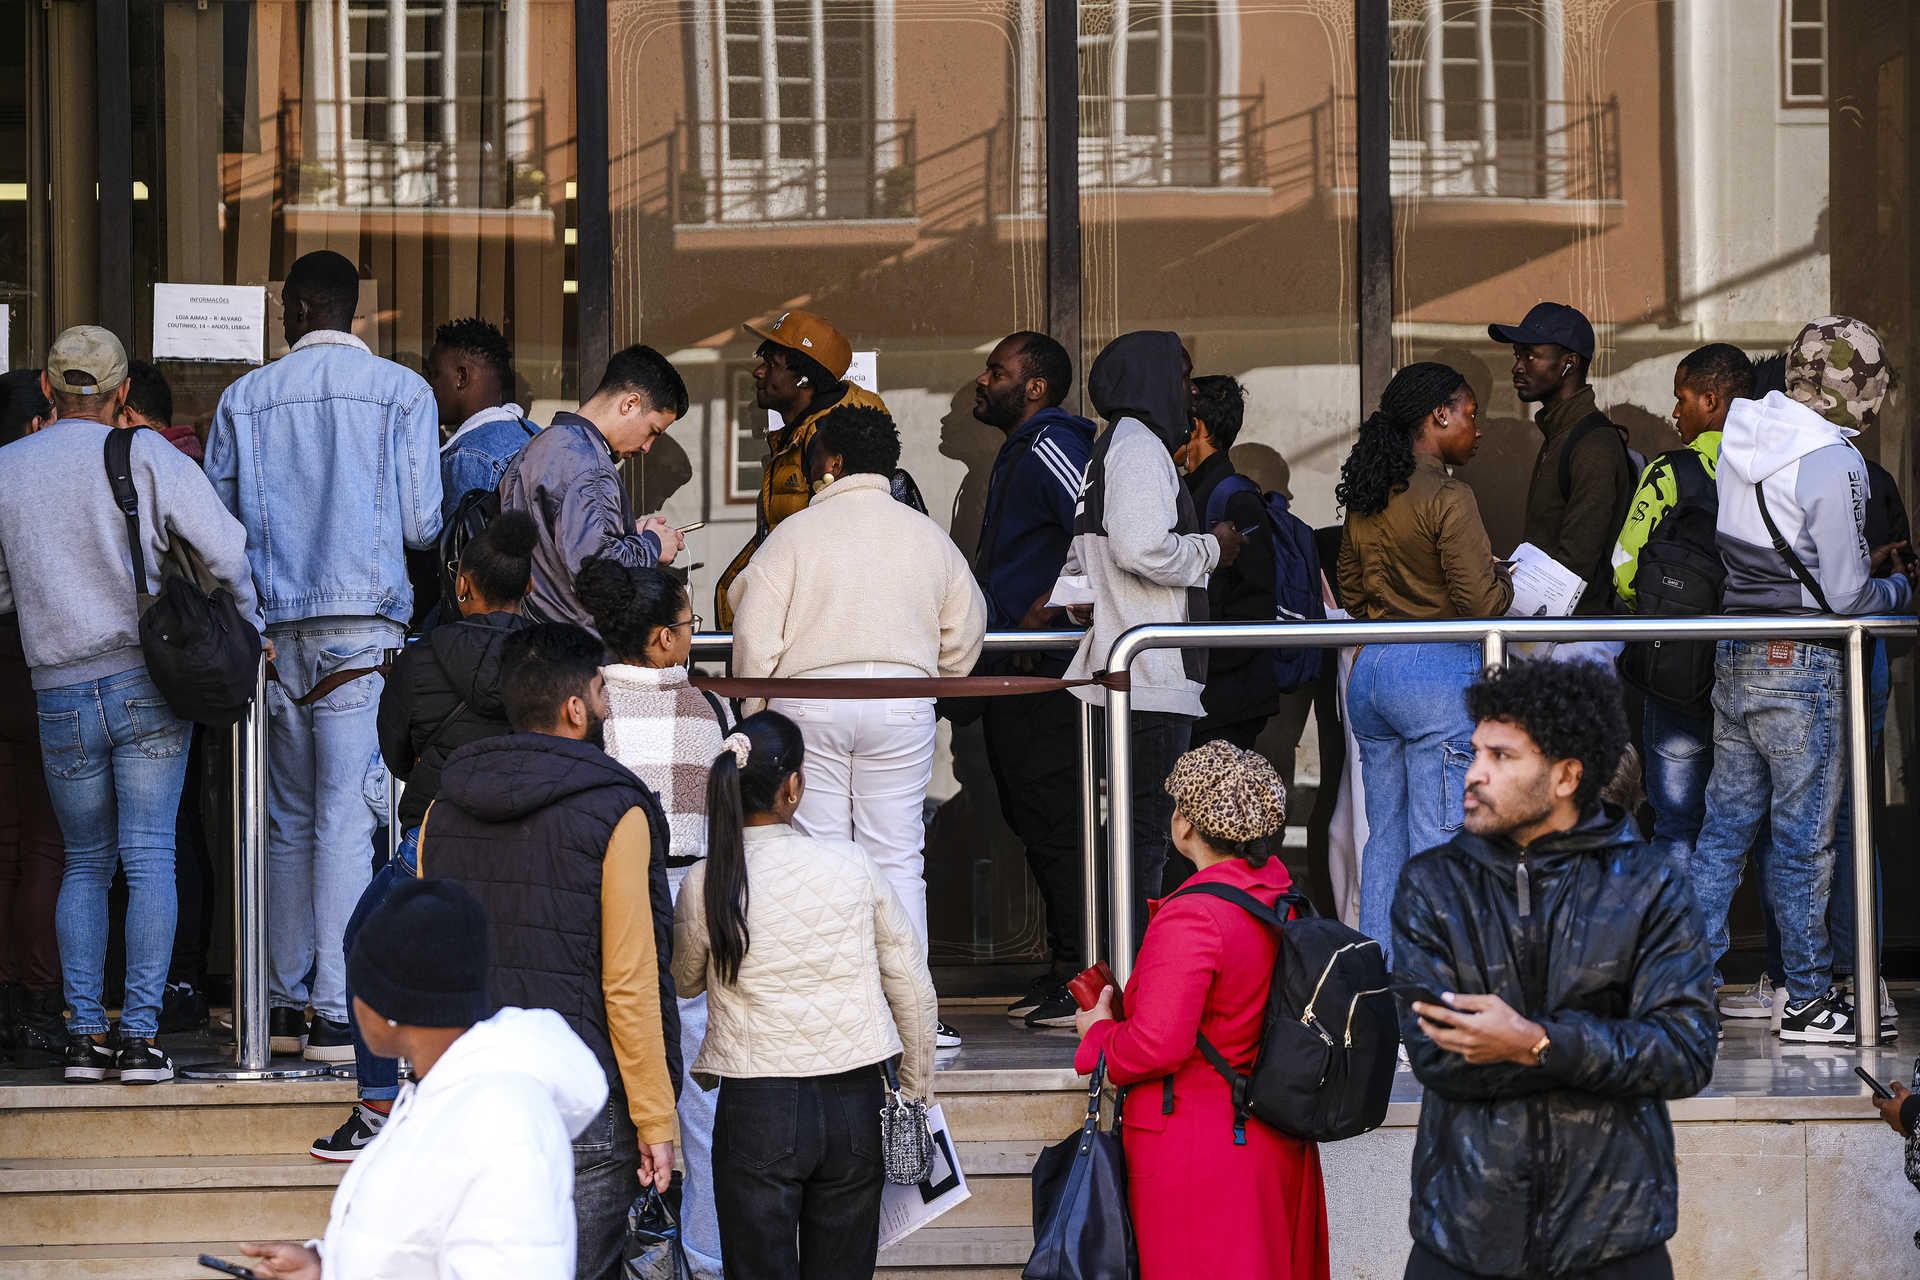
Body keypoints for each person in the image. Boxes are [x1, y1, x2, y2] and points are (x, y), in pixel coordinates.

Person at [1392, 658, 1716, 1280]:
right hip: (1463, 1239)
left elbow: (1685, 1051)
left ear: (1567, 775)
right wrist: (1604, 1048)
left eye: (1503, 757)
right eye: (1476, 752)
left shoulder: (1649, 886)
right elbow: (1440, 1058)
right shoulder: (1432, 886)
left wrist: (1536, 1042)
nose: (1474, 774)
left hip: (1614, 1241)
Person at [0, 326, 260, 1084]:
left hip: (57, 691)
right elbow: (227, 550)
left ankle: (82, 1037)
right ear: (120, 396)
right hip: (146, 682)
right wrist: (253, 625)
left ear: (48, 389)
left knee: (83, 862)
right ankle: (140, 1038)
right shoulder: (142, 454)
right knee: (149, 858)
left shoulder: (10, 467)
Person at [207, 249, 445, 1063]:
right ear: (351, 311)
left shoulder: (245, 398)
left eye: (283, 307)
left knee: (285, 819)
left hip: (275, 634)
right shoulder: (402, 393)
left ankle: (275, 1002)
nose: (280, 317)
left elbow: (215, 534)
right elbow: (421, 527)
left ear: (302, 306)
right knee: (348, 817)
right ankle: (337, 1010)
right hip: (362, 636)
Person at [424, 623, 680, 1280]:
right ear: (574, 707)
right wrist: (656, 1115)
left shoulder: (440, 811)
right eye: (600, 691)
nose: (604, 706)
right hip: (583, 1100)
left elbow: (432, 972)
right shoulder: (614, 810)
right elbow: (628, 982)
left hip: (473, 1099)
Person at [728, 403, 985, 1047]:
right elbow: (968, 623)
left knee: (817, 855)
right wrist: (939, 678)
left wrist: (756, 713)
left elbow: (754, 636)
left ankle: (830, 1010)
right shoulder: (926, 536)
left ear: (834, 462)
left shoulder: (794, 535)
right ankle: (912, 1015)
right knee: (898, 856)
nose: (811, 471)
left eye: (815, 459)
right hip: (901, 701)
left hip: (809, 703)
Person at [1689, 316, 1915, 1043]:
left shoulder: (1739, 436)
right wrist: (1901, 596)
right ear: (1861, 391)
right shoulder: (1833, 462)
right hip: (1803, 665)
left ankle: (1684, 991)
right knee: (1804, 842)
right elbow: (1848, 595)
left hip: (1737, 652)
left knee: (1722, 834)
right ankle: (1811, 1000)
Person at [671, 711, 939, 1280]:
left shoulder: (707, 879)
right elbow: (914, 991)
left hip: (756, 1109)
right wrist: (913, 1093)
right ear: (793, 787)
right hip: (855, 1104)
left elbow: (686, 980)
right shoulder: (853, 863)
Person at [241, 878, 610, 1280]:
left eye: (357, 985)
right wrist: (326, 1267)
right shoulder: (441, 1090)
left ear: (389, 1003)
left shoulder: (499, 1125)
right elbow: (420, 1244)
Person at [310, 510, 538, 1159]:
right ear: (527, 588)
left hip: (436, 837)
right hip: (524, 841)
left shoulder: (420, 657)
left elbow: (396, 754)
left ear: (463, 585)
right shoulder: (550, 656)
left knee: (367, 945)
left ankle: (380, 1103)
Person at [1073, 740, 1329, 1279]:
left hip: (1199, 1150)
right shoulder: (1281, 898)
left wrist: (1097, 1033)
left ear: (1187, 825)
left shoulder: (1195, 916)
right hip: (1268, 1139)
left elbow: (1155, 1047)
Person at [1062, 331, 1243, 940]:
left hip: (1123, 671)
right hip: (1150, 674)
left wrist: (1088, 607)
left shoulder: (1108, 446)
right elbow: (1143, 549)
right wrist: (1214, 547)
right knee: (1149, 837)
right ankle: (1138, 974)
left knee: (1133, 833)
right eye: (1183, 374)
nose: (1189, 390)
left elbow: (1079, 571)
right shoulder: (1140, 448)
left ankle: (1122, 968)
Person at [578, 555, 728, 1280]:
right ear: (664, 639)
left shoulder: (594, 705)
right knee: (699, 1082)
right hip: (695, 901)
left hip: (618, 897)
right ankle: (705, 1250)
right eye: (690, 623)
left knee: (622, 1064)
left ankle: (624, 1238)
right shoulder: (709, 709)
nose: (694, 635)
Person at [1335, 362, 1511, 965]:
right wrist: (1504, 580)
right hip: (1435, 675)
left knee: (1384, 838)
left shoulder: (1368, 493)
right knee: (1441, 841)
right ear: (1439, 415)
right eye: (1470, 412)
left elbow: (1353, 594)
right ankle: (1427, 993)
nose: (1476, 427)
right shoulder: (1450, 495)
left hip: (1371, 670)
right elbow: (1482, 603)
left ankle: (1381, 987)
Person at [967, 331, 1096, 1028]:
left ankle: (1081, 974)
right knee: (1037, 821)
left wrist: (1051, 607)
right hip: (1013, 668)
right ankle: (1066, 967)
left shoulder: (1053, 443)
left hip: (1045, 673)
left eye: (997, 371)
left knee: (1055, 823)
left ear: (1036, 386)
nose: (982, 382)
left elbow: (1099, 525)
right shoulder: (1023, 450)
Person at [1611, 343, 1751, 877]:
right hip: (1758, 665)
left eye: (1682, 399)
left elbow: (1625, 568)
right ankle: (1789, 964)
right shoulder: (1777, 467)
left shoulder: (1670, 472)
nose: (1675, 413)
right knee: (1759, 828)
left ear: (1711, 400)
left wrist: (1653, 610)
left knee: (1676, 823)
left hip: (1679, 669)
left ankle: (1681, 960)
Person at [713, 310, 890, 628]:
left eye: (771, 364)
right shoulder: (800, 435)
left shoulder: (832, 444)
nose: (758, 372)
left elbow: (843, 558)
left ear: (803, 378)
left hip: (817, 630)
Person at [500, 344, 687, 631]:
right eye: (653, 431)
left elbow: (558, 547)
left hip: (529, 639)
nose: (648, 447)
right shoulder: (590, 466)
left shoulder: (537, 446)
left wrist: (626, 533)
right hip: (575, 651)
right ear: (629, 404)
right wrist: (653, 545)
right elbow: (600, 577)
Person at [1488, 301, 1637, 624]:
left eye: (1531, 355)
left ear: (1568, 363)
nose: (1518, 366)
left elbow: (1575, 564)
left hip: (1576, 636)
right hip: (1552, 630)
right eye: (1517, 354)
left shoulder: (1593, 443)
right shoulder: (1561, 432)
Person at [0, 369, 65, 1063]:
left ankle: (7, 996)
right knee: (47, 847)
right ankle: (40, 1012)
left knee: (6, 847)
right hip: (31, 663)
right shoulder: (31, 475)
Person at [1183, 374, 1283, 752]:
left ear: (1196, 426)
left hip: (1226, 701)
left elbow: (1256, 605)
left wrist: (1199, 663)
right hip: (1204, 694)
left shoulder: (1235, 498)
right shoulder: (1187, 490)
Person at [428, 316, 540, 518]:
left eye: (434, 374)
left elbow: (458, 548)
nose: (427, 385)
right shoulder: (535, 435)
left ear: (461, 377)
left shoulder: (466, 459)